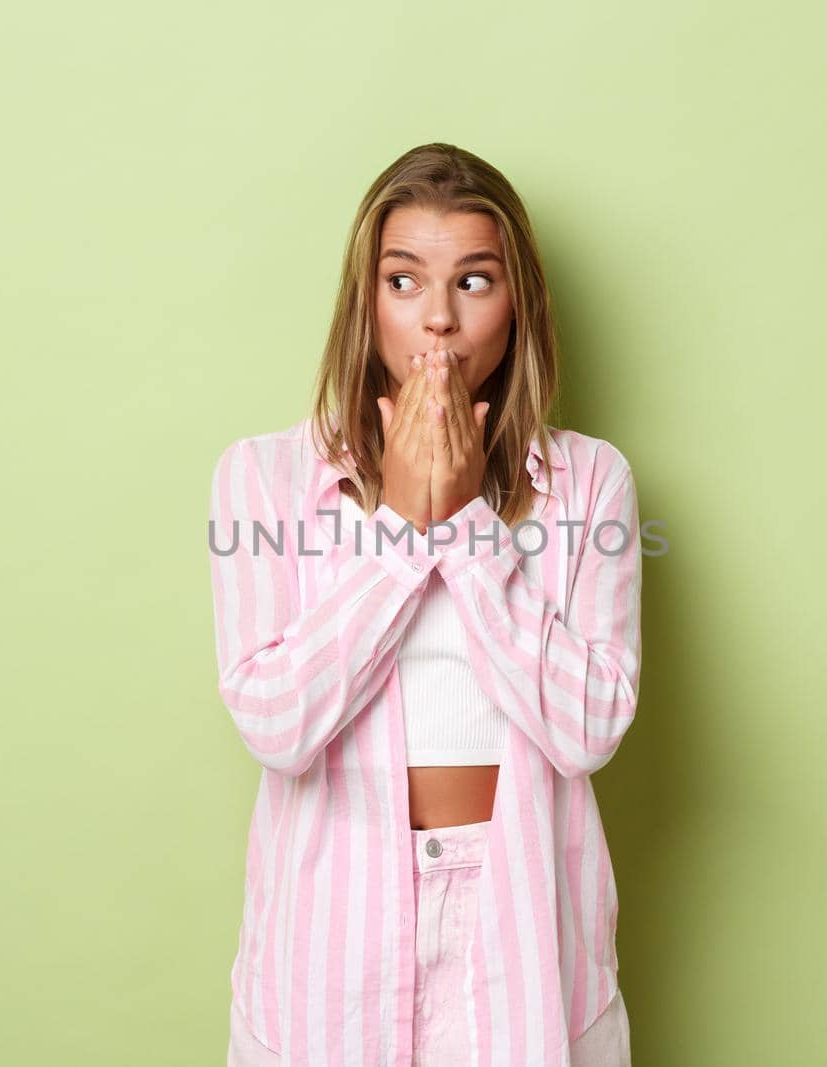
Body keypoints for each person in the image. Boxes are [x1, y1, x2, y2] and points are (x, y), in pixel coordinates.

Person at [209, 142, 642, 1066]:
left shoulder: (588, 481)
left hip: (523, 915)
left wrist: (468, 524)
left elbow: (590, 726)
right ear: (365, 302)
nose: (438, 321)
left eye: (474, 281)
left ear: (516, 300)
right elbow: (276, 724)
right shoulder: (263, 477)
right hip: (334, 921)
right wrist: (405, 521)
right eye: (404, 281)